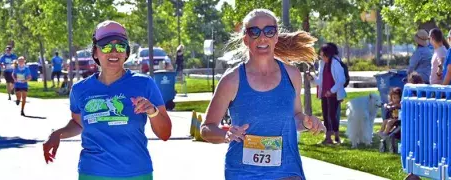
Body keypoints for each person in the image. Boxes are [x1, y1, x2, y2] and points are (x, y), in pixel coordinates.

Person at [200, 9, 325, 180]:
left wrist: (307, 122)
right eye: (254, 32)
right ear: (246, 39)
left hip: (287, 171)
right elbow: (207, 128)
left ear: (276, 37)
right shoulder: (232, 80)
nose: (262, 37)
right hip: (243, 174)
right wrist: (226, 134)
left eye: (269, 31)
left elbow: (295, 118)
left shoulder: (292, 74)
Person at [42, 20, 172, 180]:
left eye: (120, 46)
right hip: (93, 173)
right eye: (106, 46)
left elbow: (165, 134)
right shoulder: (80, 89)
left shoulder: (145, 84)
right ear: (95, 52)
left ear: (126, 52)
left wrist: (152, 112)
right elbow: (78, 123)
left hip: (136, 173)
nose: (114, 52)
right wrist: (57, 134)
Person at [312, 43, 347, 145]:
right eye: (321, 56)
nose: (322, 57)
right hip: (324, 94)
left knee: (332, 115)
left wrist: (331, 91)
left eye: (323, 55)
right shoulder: (322, 64)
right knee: (326, 116)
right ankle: (328, 138)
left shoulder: (336, 63)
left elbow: (341, 80)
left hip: (334, 94)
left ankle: (337, 137)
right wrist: (313, 76)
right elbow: (320, 82)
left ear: (329, 54)